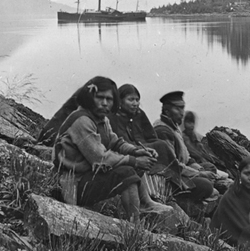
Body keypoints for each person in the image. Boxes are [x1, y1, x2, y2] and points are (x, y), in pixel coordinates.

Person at [52, 76, 173, 219]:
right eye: (99, 98)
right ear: (89, 98)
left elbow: (116, 142)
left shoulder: (102, 119)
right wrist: (134, 160)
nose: (104, 103)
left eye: (109, 99)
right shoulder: (82, 120)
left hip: (86, 177)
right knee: (126, 170)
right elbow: (100, 158)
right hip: (70, 184)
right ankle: (135, 227)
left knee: (131, 163)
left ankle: (145, 203)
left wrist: (136, 151)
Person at [107, 84, 208, 204]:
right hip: (130, 155)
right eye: (130, 99)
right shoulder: (112, 118)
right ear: (120, 101)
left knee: (160, 146)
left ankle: (168, 188)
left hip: (146, 151)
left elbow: (151, 137)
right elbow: (119, 143)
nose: (135, 103)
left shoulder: (140, 114)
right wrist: (141, 149)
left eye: (137, 100)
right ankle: (161, 193)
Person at [152, 91, 216, 203]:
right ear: (167, 111)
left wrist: (199, 168)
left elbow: (187, 157)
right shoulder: (163, 131)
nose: (182, 113)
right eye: (178, 109)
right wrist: (199, 173)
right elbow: (173, 166)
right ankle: (180, 200)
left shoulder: (174, 127)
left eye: (183, 108)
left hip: (182, 171)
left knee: (209, 167)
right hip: (171, 179)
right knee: (207, 186)